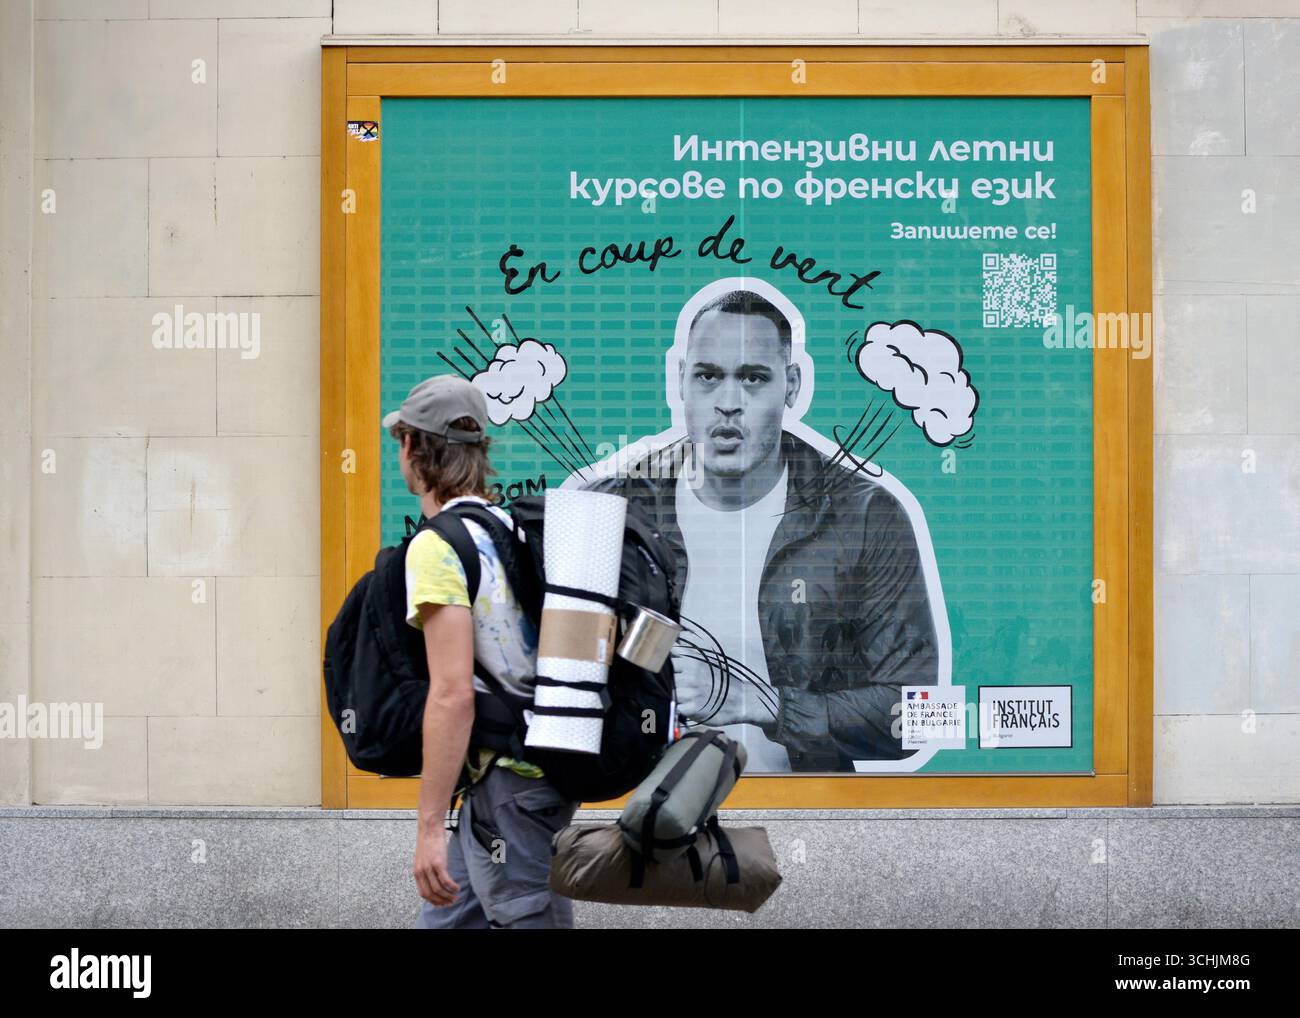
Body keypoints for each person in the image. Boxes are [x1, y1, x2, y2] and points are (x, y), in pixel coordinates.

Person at [579, 288, 940, 772]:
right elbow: (560, 686)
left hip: (808, 816)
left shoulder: (865, 515)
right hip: (643, 814)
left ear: (790, 386)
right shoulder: (614, 507)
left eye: (753, 378)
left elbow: (918, 718)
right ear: (680, 381)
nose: (728, 402)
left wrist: (763, 703)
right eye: (708, 376)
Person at [389, 374, 579, 929]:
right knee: (450, 918)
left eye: (399, 441)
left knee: (527, 919)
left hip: (509, 788)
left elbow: (451, 696)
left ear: (412, 447)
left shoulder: (436, 546)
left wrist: (427, 828)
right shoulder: (508, 527)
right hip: (524, 776)